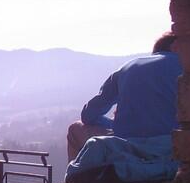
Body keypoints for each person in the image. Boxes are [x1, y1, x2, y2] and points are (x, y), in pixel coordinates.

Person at [67, 32, 182, 161]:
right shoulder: (188, 70)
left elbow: (88, 115)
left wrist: (116, 123)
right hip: (170, 147)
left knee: (75, 129)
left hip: (126, 146)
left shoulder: (127, 67)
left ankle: (81, 172)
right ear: (176, 47)